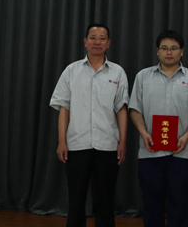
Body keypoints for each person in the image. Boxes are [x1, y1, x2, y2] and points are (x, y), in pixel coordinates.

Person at [49, 23, 129, 227]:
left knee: (106, 200)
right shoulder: (71, 70)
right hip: (77, 145)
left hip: (108, 145)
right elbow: (64, 108)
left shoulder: (118, 72)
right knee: (76, 200)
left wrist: (122, 141)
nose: (97, 42)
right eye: (93, 37)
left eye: (102, 38)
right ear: (85, 42)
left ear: (108, 43)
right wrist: (62, 141)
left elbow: (121, 109)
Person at [129, 30, 188, 227]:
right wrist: (144, 133)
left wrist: (186, 136)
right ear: (157, 51)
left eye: (174, 48)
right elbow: (134, 109)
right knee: (151, 204)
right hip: (150, 151)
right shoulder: (143, 76)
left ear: (182, 51)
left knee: (181, 203)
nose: (169, 52)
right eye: (164, 48)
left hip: (182, 152)